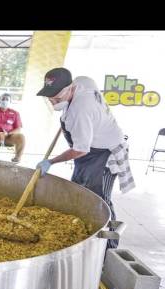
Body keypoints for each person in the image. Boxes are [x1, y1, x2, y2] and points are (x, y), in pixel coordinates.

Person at [35, 67, 134, 248]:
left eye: (57, 97)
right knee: (81, 191)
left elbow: (80, 149)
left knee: (99, 199)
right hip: (92, 146)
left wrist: (51, 161)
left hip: (102, 153)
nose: (53, 101)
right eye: (50, 96)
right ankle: (82, 236)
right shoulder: (83, 81)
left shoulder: (80, 111)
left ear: (71, 88)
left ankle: (107, 247)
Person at [0, 93, 25, 162]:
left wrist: (8, 133)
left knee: (21, 137)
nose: (5, 101)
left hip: (10, 137)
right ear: (0, 100)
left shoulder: (15, 113)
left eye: (7, 99)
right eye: (3, 99)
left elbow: (18, 128)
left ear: (10, 101)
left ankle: (17, 158)